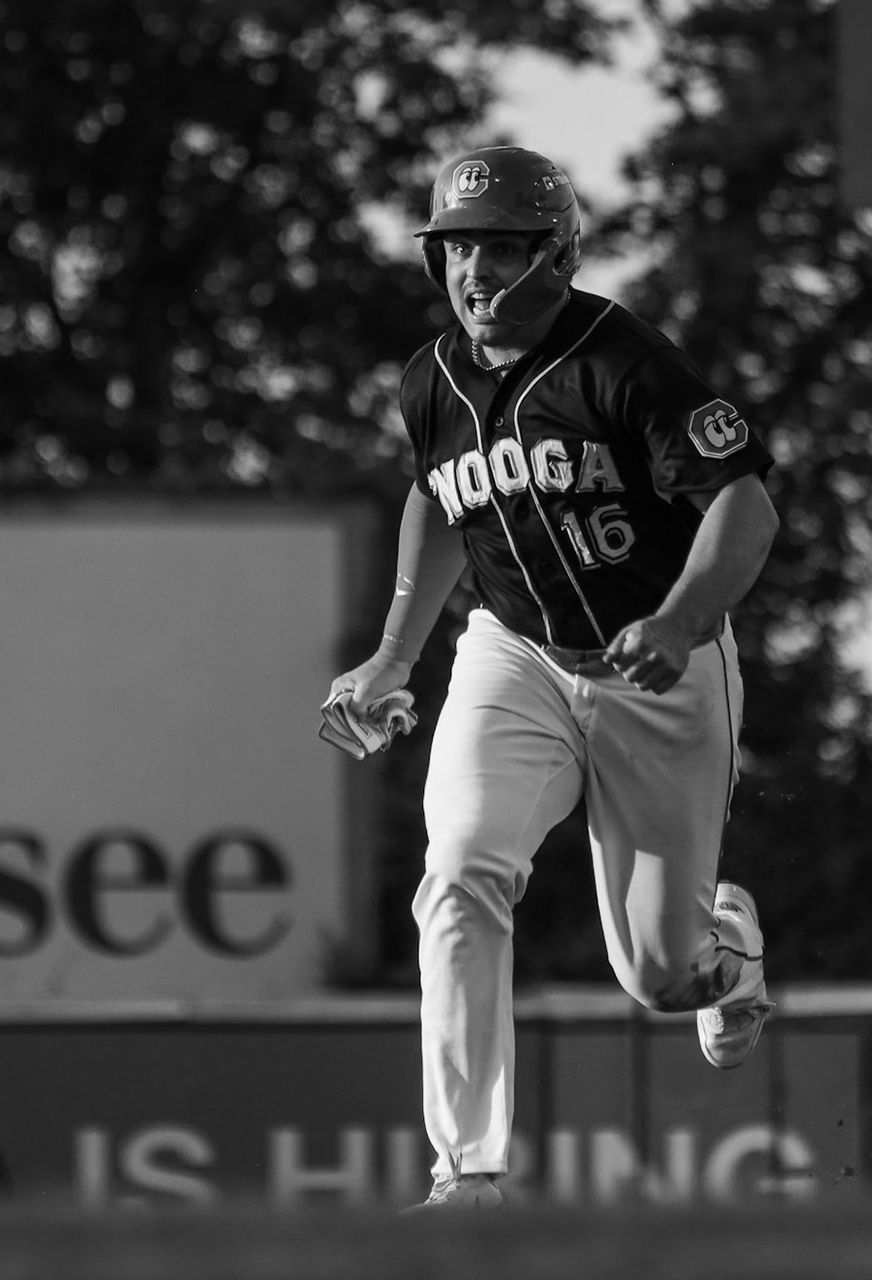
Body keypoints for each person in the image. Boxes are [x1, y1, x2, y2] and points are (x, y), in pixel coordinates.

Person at [324, 145, 780, 1210]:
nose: (472, 272)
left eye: (498, 248)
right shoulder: (428, 378)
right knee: (460, 870)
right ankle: (468, 1169)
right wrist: (394, 652)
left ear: (559, 253)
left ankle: (728, 944)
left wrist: (681, 616)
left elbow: (744, 500)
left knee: (662, 977)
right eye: (454, 248)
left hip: (655, 660)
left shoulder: (618, 358)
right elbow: (442, 498)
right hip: (512, 650)